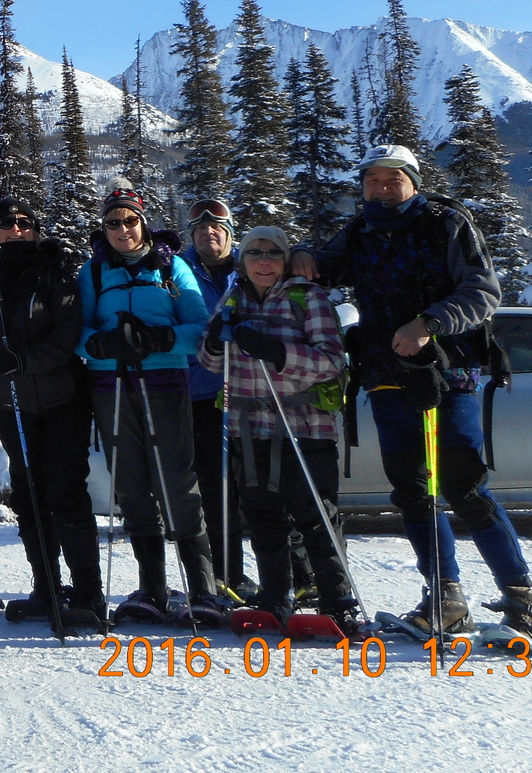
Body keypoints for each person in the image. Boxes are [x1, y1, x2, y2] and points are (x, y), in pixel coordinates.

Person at [291, 144, 532, 642]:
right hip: (387, 378)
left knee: (463, 485)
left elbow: (483, 292)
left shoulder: (446, 223)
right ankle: (445, 598)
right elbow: (324, 265)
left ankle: (522, 600)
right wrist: (303, 253)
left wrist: (428, 323)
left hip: (449, 374)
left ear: (413, 182)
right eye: (373, 181)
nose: (382, 189)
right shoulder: (361, 231)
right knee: (412, 492)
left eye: (394, 180)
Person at [77, 181, 225, 628]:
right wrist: (100, 345)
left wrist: (160, 338)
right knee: (130, 483)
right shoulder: (94, 272)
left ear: (143, 223)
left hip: (164, 380)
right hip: (111, 383)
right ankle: (152, 588)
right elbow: (77, 330)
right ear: (103, 229)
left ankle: (203, 588)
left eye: (130, 220)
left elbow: (200, 325)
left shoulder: (171, 266)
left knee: (177, 480)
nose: (122, 229)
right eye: (113, 223)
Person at [199, 226, 358, 635]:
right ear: (243, 261)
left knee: (316, 516)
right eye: (255, 253)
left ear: (285, 260)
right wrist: (214, 342)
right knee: (262, 517)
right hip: (250, 428)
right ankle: (275, 595)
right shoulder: (232, 300)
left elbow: (331, 361)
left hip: (304, 426)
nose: (264, 261)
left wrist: (276, 352)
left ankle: (337, 599)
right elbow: (211, 363)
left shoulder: (308, 297)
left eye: (273, 253)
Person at [0, 198, 95, 625]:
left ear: (35, 228)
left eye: (23, 222)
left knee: (66, 494)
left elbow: (68, 337)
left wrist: (23, 362)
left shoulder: (57, 276)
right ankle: (46, 589)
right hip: (14, 406)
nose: (15, 229)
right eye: (6, 223)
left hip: (63, 402)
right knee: (30, 496)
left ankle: (88, 595)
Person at [179, 199, 251, 599]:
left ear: (230, 233)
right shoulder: (178, 270)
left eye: (218, 227)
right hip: (203, 393)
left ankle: (293, 576)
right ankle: (225, 575)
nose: (210, 233)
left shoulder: (251, 265)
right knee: (216, 487)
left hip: (254, 393)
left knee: (263, 487)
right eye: (201, 228)